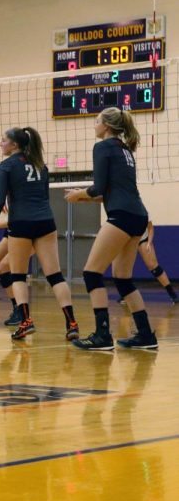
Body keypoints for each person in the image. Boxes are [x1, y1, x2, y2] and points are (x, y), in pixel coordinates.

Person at [65, 107, 157, 351]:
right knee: (122, 279)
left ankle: (102, 336)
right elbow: (109, 192)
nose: (94, 125)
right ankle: (146, 335)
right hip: (138, 214)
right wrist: (82, 197)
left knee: (91, 273)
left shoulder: (103, 147)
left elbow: (97, 189)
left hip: (121, 216)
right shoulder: (125, 149)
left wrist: (78, 195)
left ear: (106, 125)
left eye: (96, 121)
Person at [0, 127, 78, 341]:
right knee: (55, 276)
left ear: (15, 145)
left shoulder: (6, 166)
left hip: (21, 223)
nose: (0, 144)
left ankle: (25, 322)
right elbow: (44, 197)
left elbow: (0, 201)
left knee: (17, 275)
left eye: (3, 140)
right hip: (45, 221)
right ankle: (72, 323)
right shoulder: (40, 165)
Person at [121, 221, 178, 305]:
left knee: (154, 267)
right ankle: (125, 294)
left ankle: (172, 293)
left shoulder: (142, 211)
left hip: (142, 239)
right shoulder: (121, 212)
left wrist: (149, 242)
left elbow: (150, 227)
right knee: (124, 268)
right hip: (128, 240)